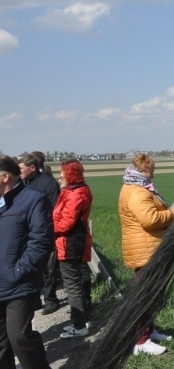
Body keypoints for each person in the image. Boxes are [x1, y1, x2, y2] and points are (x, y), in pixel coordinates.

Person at [119, 154, 174, 356]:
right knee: (145, 296)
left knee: (150, 294)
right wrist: (172, 212)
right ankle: (141, 341)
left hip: (145, 248)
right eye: (150, 171)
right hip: (145, 250)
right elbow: (150, 219)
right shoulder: (138, 192)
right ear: (141, 171)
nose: (152, 175)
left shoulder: (133, 187)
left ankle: (149, 331)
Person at [0, 156, 53, 369]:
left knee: (20, 336)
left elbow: (41, 240)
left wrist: (19, 270)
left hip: (19, 282)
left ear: (4, 177)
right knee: (1, 343)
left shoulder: (33, 199)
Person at [53, 159, 93, 339]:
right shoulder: (72, 192)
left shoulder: (76, 194)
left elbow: (66, 223)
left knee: (71, 285)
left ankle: (79, 325)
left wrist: (47, 227)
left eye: (62, 174)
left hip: (70, 243)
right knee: (73, 283)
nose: (60, 177)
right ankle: (80, 321)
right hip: (70, 241)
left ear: (71, 176)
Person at [18, 152, 61, 315]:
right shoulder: (23, 183)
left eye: (21, 168)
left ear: (32, 168)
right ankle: (35, 300)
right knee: (31, 267)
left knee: (48, 269)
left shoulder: (48, 183)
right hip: (27, 233)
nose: (19, 171)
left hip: (45, 232)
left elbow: (55, 208)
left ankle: (51, 300)